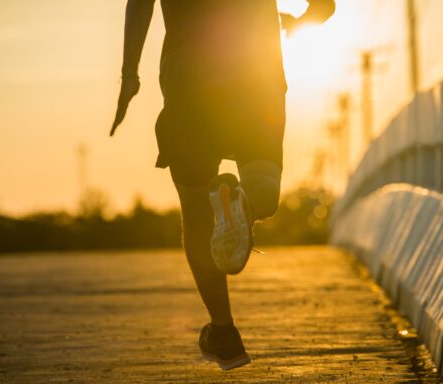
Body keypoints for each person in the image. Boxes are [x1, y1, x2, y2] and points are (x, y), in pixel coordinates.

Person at [111, 0, 335, 371]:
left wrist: (129, 75)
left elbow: (139, 4)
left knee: (197, 212)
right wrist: (299, 22)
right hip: (256, 81)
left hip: (189, 83)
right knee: (264, 189)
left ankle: (224, 333)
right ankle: (244, 202)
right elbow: (324, 6)